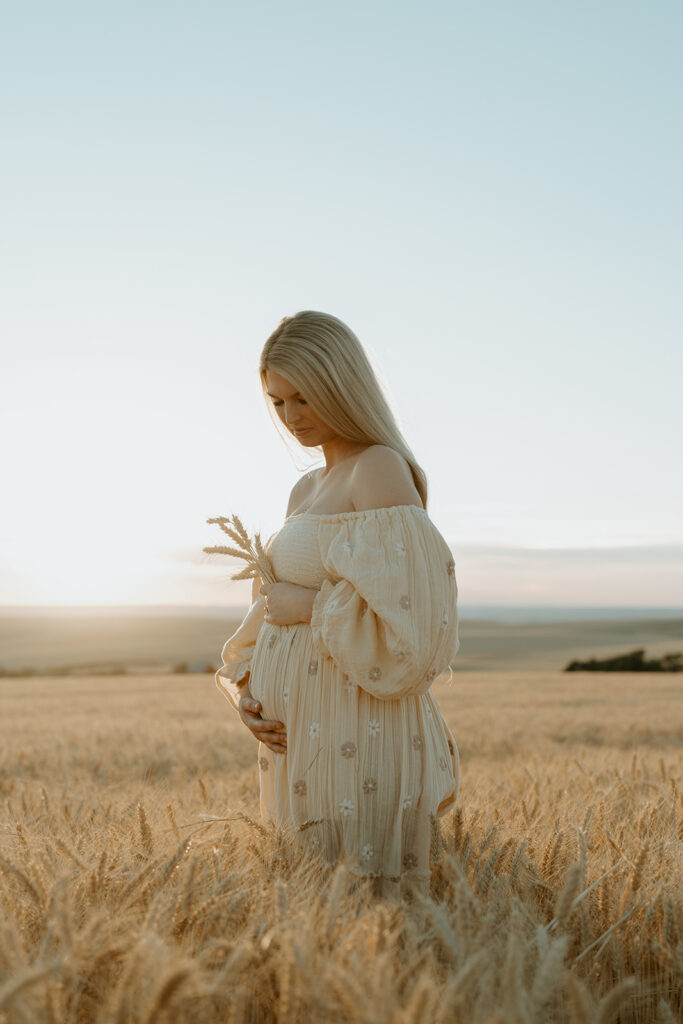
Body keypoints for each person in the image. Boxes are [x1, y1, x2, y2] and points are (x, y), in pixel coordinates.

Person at [215, 311, 460, 902]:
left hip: (361, 735)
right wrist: (245, 687)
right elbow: (272, 609)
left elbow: (417, 629)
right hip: (299, 740)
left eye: (305, 397)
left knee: (367, 910)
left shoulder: (378, 468)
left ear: (343, 384)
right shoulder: (305, 487)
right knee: (310, 904)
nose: (292, 418)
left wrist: (311, 605)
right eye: (278, 402)